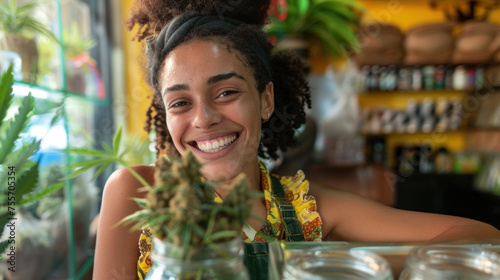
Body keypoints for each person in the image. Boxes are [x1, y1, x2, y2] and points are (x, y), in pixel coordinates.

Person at [93, 0, 500, 279]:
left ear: (265, 100)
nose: (205, 118)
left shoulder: (308, 209)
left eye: (227, 92)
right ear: (166, 115)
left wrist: (400, 267)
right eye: (180, 102)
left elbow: (482, 236)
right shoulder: (136, 192)